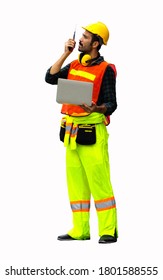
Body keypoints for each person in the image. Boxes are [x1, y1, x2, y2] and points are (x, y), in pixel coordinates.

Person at [45, 21, 118, 244]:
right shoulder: (75, 65)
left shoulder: (106, 69)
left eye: (85, 37)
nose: (80, 39)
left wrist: (96, 108)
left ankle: (108, 230)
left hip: (93, 133)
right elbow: (50, 78)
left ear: (96, 44)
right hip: (71, 133)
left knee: (99, 183)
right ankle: (80, 229)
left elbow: (112, 103)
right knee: (76, 184)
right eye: (82, 36)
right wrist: (65, 54)